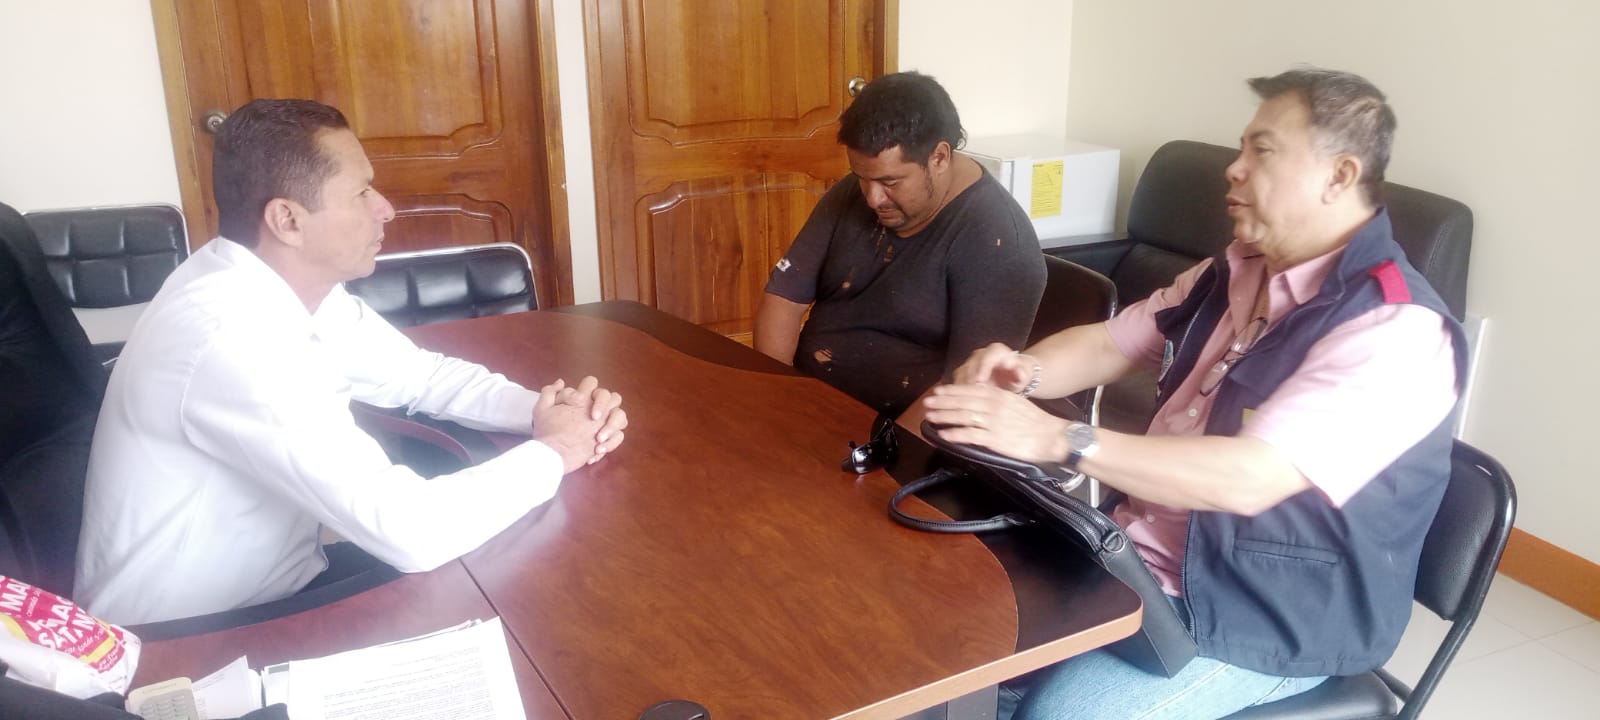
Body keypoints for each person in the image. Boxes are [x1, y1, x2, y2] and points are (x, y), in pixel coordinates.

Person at [924, 68, 1467, 719]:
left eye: (1262, 151)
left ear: (1339, 176)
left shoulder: (1395, 329)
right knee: (949, 640)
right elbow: (1109, 345)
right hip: (1141, 562)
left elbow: (1249, 478)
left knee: (1052, 714)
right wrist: (1022, 371)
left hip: (1264, 616)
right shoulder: (1232, 271)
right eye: (1241, 149)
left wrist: (1058, 437)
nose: (1234, 169)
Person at [74, 99, 628, 625]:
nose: (385, 208)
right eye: (361, 192)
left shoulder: (280, 285)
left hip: (268, 589)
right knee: (533, 599)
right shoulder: (231, 336)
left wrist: (547, 412)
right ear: (288, 220)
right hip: (189, 639)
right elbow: (411, 531)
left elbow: (420, 376)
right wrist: (558, 450)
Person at [754, 71, 1046, 417]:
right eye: (862, 178)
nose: (872, 198)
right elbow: (783, 299)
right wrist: (776, 398)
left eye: (890, 182)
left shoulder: (998, 241)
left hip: (906, 429)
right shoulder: (856, 192)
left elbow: (967, 392)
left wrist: (886, 446)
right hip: (812, 404)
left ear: (939, 157)